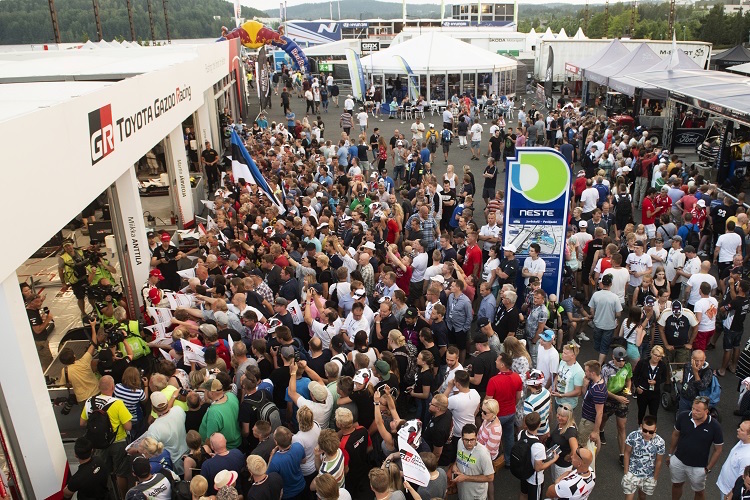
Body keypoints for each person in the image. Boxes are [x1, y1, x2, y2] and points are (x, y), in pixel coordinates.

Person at [79, 375, 132, 498]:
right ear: (113, 387)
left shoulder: (89, 401)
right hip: (118, 442)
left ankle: (108, 494)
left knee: (103, 471)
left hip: (98, 444)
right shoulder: (118, 404)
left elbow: (82, 423)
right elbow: (128, 427)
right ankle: (122, 496)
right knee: (120, 473)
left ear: (99, 387)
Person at [667, 396, 724, 500]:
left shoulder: (715, 426)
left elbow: (718, 449)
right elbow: (676, 434)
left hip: (699, 467)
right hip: (678, 460)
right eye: (693, 408)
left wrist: (708, 468)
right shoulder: (683, 416)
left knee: (699, 492)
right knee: (676, 484)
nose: (694, 412)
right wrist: (670, 454)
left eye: (698, 410)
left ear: (706, 411)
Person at [486, 352, 523, 465]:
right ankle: (509, 460)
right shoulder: (517, 377)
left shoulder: (493, 381)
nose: (495, 361)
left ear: (502, 365)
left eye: (497, 360)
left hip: (497, 415)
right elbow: (518, 397)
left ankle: (491, 461)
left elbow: (488, 401)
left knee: (492, 438)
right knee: (509, 437)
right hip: (511, 412)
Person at [600, 346, 633, 466]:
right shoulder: (606, 369)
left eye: (623, 360)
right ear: (613, 357)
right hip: (608, 398)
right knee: (603, 418)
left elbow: (629, 379)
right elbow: (603, 389)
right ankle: (601, 430)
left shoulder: (627, 366)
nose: (621, 362)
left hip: (621, 398)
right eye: (619, 360)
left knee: (622, 426)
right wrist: (616, 397)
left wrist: (627, 389)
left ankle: (622, 455)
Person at [622, 415, 666, 499]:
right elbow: (627, 453)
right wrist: (626, 472)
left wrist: (655, 478)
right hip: (632, 472)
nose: (647, 434)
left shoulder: (660, 442)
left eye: (651, 432)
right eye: (645, 430)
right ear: (641, 426)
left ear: (655, 430)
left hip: (648, 475)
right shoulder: (633, 436)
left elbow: (659, 460)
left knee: (642, 497)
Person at [517, 412, 558, 500]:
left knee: (523, 493)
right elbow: (538, 468)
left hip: (523, 472)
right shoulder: (538, 446)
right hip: (534, 479)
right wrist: (553, 460)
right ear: (539, 425)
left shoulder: (521, 433)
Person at [449, 423, 495, 500]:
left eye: (472, 440)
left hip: (476, 495)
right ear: (462, 437)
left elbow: (490, 477)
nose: (469, 443)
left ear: (476, 437)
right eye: (466, 440)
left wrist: (465, 478)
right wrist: (455, 465)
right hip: (462, 491)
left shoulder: (483, 454)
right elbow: (459, 457)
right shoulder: (460, 442)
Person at [589, 273, 623, 363]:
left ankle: (599, 360)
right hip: (609, 325)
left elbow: (591, 310)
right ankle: (600, 364)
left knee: (597, 344)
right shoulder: (615, 297)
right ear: (611, 284)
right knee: (604, 346)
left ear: (601, 283)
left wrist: (595, 317)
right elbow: (619, 314)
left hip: (597, 323)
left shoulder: (596, 295)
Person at [632, 345, 669, 424]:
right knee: (641, 411)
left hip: (654, 393)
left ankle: (652, 429)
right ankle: (640, 426)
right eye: (655, 355)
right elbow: (634, 375)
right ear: (651, 353)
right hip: (642, 391)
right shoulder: (642, 363)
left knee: (653, 413)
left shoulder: (662, 365)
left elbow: (664, 378)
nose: (657, 358)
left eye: (659, 356)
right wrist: (637, 387)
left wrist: (656, 382)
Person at [267, 426, 306, 499]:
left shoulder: (275, 461)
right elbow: (304, 461)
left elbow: (267, 476)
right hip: (301, 485)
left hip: (288, 494)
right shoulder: (298, 446)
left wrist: (271, 456)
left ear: (276, 442)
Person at [717, 420, 750, 498]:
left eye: (741, 430)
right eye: (739, 427)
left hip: (728, 492)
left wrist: (730, 495)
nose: (737, 430)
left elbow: (742, 479)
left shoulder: (747, 457)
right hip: (724, 487)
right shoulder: (742, 442)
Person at [578, 360, 606, 448]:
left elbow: (599, 412)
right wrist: (585, 386)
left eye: (586, 371)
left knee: (582, 444)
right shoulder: (592, 381)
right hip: (586, 416)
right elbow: (584, 396)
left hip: (589, 421)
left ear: (593, 373)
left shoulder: (598, 391)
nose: (585, 373)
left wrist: (595, 431)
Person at [547, 404, 578, 480]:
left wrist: (568, 457)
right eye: (558, 414)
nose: (559, 417)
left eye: (563, 416)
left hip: (562, 465)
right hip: (555, 459)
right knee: (554, 479)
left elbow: (575, 450)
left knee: (559, 484)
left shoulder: (570, 432)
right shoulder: (561, 424)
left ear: (569, 417)